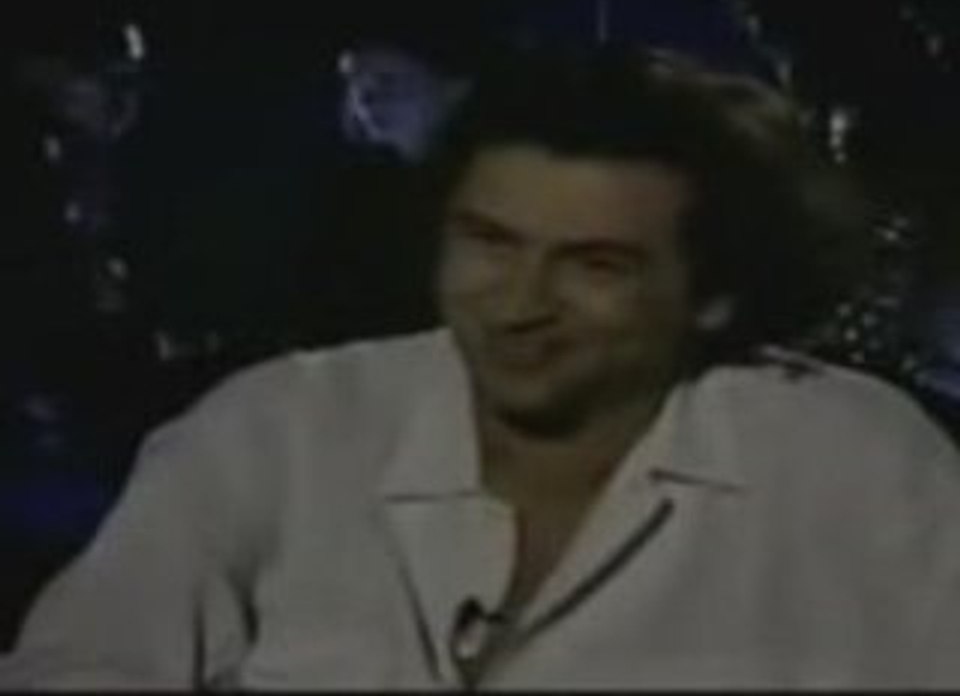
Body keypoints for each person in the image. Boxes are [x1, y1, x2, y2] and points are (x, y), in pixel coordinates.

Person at [2, 44, 960, 690]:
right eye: (490, 242)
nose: (518, 303)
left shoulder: (851, 461)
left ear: (712, 293)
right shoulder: (278, 429)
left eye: (594, 266)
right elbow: (82, 666)